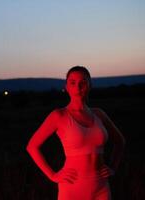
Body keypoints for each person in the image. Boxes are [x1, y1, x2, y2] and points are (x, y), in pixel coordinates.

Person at [26, 66, 126, 200]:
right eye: (72, 82)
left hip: (101, 187)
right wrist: (52, 175)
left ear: (90, 85)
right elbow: (32, 146)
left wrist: (113, 167)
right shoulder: (59, 115)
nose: (78, 87)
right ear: (66, 86)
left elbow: (120, 141)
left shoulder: (99, 114)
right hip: (72, 186)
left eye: (83, 82)